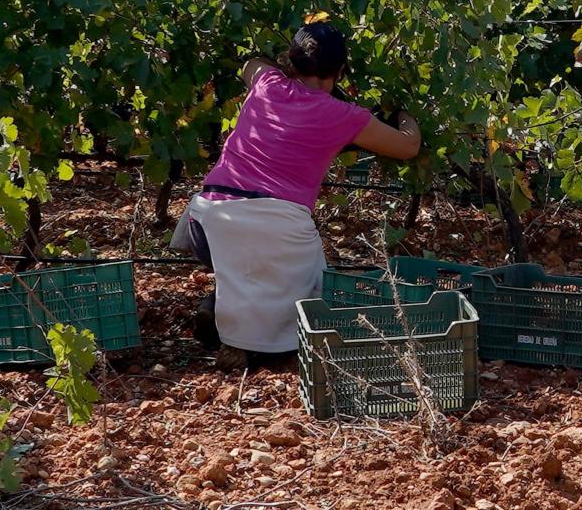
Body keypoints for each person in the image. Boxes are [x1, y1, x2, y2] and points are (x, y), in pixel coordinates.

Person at [171, 21, 422, 369]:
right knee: (307, 292)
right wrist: (405, 115)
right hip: (274, 231)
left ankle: (219, 309)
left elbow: (250, 64)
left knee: (246, 258)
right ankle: (246, 345)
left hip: (208, 224)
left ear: (292, 61)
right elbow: (408, 145)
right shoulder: (344, 116)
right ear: (341, 70)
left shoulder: (267, 83)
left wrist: (280, 62)